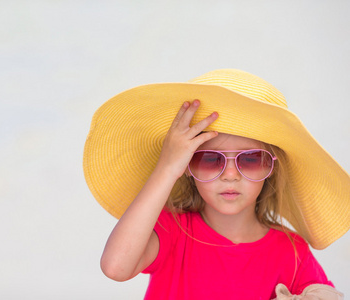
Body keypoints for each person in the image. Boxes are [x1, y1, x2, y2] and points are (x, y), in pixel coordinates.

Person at [83, 69, 349, 299]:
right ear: (186, 166)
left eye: (251, 158)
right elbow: (116, 267)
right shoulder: (171, 231)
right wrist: (166, 168)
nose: (230, 175)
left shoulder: (292, 251)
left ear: (271, 166)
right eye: (210, 159)